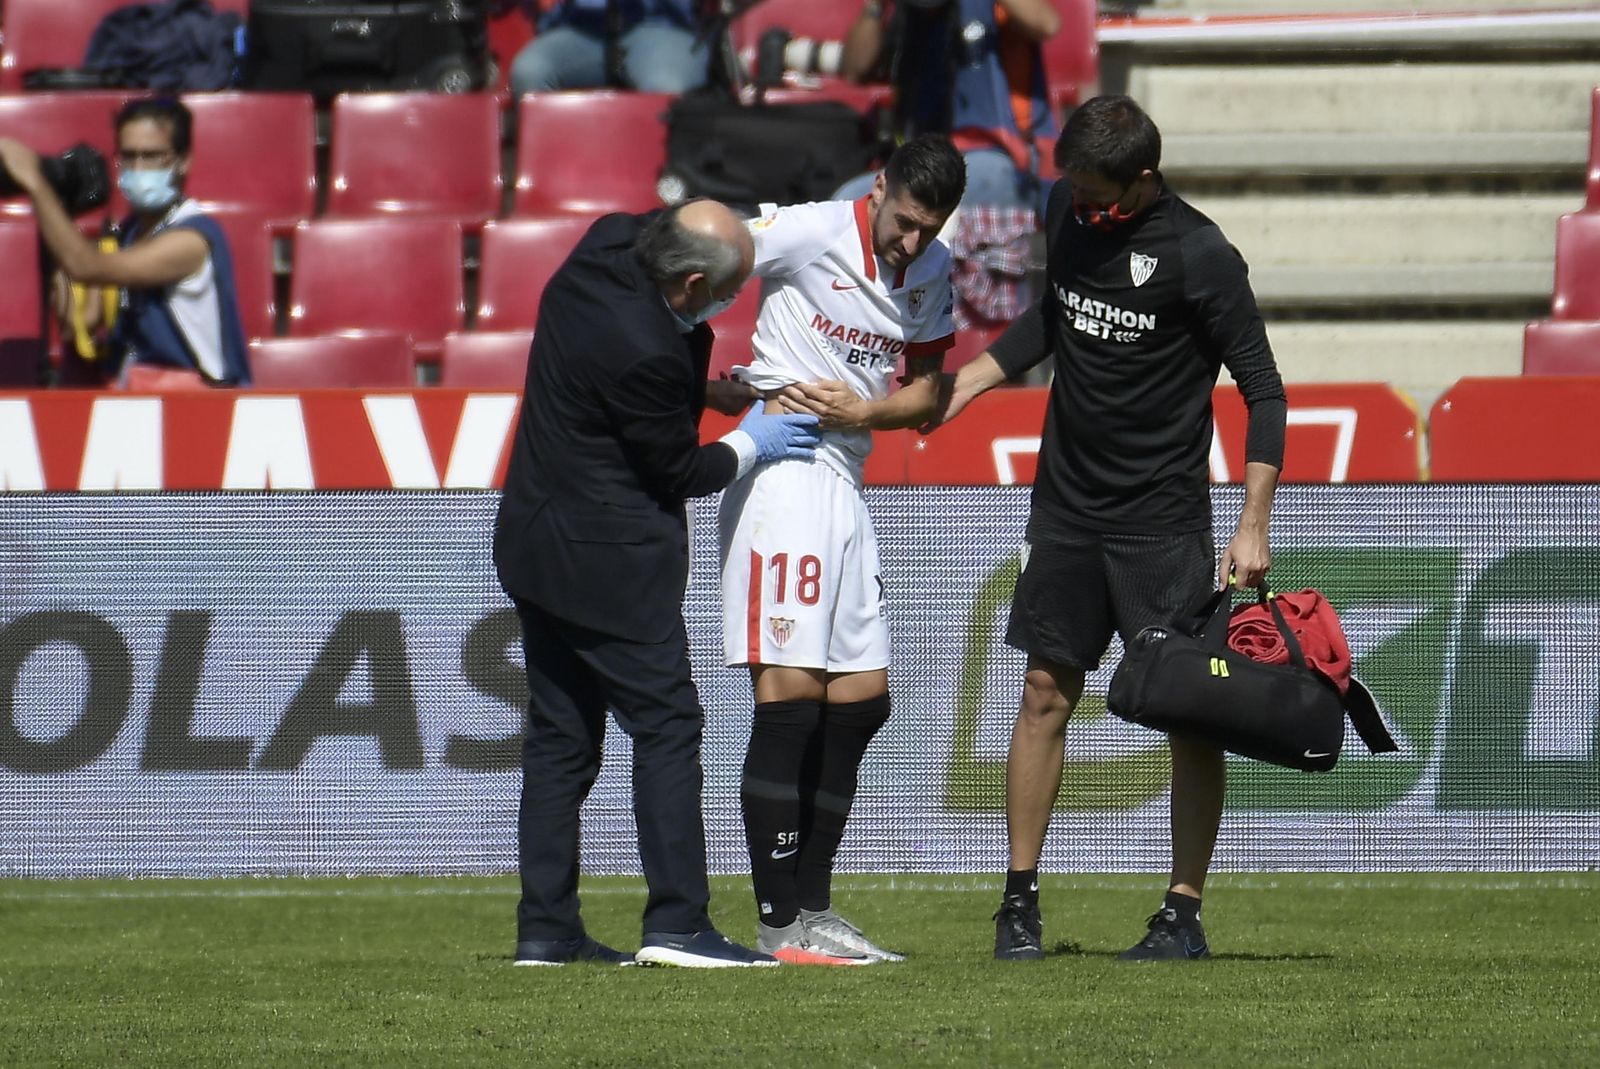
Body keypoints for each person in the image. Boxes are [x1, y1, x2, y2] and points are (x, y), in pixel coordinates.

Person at [929, 95, 1288, 961]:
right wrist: (970, 380)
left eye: (1097, 195)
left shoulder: (1202, 255)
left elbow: (1265, 391)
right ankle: (1018, 905)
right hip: (1066, 510)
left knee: (1190, 719)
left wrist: (1252, 525)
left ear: (1143, 182)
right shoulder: (1067, 207)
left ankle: (1182, 914)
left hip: (1162, 524)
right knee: (1043, 695)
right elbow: (1053, 316)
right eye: (1075, 193)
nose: (1081, 207)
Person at [493, 198, 821, 968]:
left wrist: (702, 393)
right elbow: (680, 468)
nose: (728, 304)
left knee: (560, 740)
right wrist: (751, 439)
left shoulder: (603, 246)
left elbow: (619, 390)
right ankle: (677, 922)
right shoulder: (643, 347)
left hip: (535, 543)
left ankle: (546, 929)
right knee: (668, 727)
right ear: (690, 282)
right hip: (608, 563)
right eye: (727, 291)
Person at [719, 135, 964, 965]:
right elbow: (710, 252)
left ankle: (813, 908)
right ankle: (778, 920)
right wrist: (706, 370)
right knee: (789, 699)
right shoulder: (807, 229)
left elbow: (930, 393)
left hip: (849, 479)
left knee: (862, 702)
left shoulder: (930, 272)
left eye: (929, 229)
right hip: (784, 471)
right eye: (904, 222)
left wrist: (866, 414)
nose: (912, 243)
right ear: (879, 185)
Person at [0, 96, 250, 388]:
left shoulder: (192, 239)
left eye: (152, 156)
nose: (139, 168)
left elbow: (86, 266)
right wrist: (58, 213)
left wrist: (35, 181)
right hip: (139, 397)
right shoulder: (127, 234)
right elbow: (80, 324)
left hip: (196, 404)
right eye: (129, 156)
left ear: (184, 160)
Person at [834, 0, 1061, 213]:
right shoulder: (909, 12)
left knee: (921, 198)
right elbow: (854, 70)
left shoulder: (996, 7)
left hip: (1003, 160)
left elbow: (1047, 24)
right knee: (847, 203)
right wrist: (875, 6)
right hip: (926, 161)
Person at [508, 0, 710, 96]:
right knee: (529, 72)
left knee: (665, 88)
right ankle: (562, 172)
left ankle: (668, 177)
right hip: (583, 27)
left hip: (661, 26)